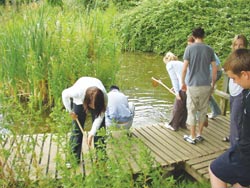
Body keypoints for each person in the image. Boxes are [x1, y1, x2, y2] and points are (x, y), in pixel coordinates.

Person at [209, 48, 250, 188]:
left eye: (234, 78)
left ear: (245, 74)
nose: (235, 83)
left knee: (214, 169)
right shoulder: (246, 92)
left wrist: (240, 149)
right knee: (241, 184)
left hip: (245, 153)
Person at [181, 27, 217, 144]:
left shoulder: (189, 49)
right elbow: (214, 68)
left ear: (193, 36)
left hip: (193, 85)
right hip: (206, 85)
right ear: (203, 36)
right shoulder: (209, 49)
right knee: (203, 110)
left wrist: (182, 82)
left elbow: (185, 68)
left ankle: (192, 136)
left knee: (191, 110)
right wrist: (213, 83)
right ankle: (199, 134)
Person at [62, 77, 108, 167]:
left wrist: (91, 133)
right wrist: (70, 111)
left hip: (95, 95)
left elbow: (99, 117)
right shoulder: (77, 93)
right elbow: (64, 94)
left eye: (96, 107)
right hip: (80, 100)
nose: (93, 109)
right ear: (87, 102)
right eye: (92, 106)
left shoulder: (104, 97)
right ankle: (73, 159)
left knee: (100, 130)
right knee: (77, 129)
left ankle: (101, 158)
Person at [188, 36, 222, 119]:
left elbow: (217, 67)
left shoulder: (206, 50)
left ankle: (198, 115)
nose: (189, 47)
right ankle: (216, 110)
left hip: (214, 72)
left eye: (190, 45)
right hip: (206, 74)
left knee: (200, 91)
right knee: (205, 92)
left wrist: (212, 81)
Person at [223, 34, 248, 145]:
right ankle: (234, 140)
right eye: (235, 45)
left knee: (237, 120)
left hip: (241, 93)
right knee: (234, 119)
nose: (238, 47)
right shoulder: (232, 59)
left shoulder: (244, 61)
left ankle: (235, 145)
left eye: (241, 45)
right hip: (233, 93)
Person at [162, 52, 187, 131]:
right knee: (185, 106)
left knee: (178, 106)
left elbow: (174, 79)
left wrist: (177, 93)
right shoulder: (180, 63)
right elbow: (180, 76)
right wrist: (175, 87)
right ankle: (183, 124)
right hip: (189, 86)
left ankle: (174, 126)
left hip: (183, 87)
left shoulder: (169, 65)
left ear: (166, 60)